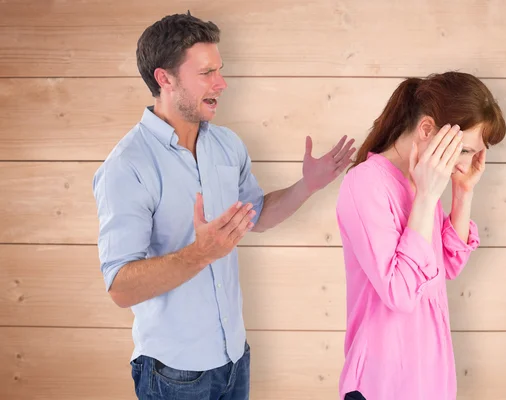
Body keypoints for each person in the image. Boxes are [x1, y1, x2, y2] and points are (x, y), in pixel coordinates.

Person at [92, 12, 355, 400]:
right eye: (206, 72)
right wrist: (200, 254)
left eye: (220, 70)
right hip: (173, 373)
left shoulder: (226, 145)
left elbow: (256, 216)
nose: (222, 83)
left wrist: (307, 187)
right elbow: (120, 288)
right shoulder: (128, 165)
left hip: (234, 360)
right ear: (165, 79)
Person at [335, 72, 506, 399]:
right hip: (382, 383)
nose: (464, 164)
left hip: (430, 378)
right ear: (427, 129)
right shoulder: (366, 185)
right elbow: (399, 293)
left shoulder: (419, 179)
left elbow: (448, 265)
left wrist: (462, 192)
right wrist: (427, 197)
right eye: (464, 151)